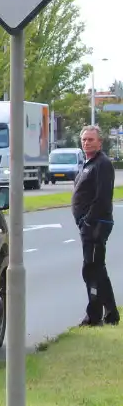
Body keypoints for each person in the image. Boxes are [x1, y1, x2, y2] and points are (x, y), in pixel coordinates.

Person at [72, 125, 118, 326]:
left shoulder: (103, 164)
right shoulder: (87, 163)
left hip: (96, 224)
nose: (86, 142)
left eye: (90, 139)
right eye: (83, 139)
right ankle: (111, 313)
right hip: (88, 225)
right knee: (97, 268)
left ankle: (94, 315)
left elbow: (102, 197)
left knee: (91, 268)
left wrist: (88, 221)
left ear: (100, 142)